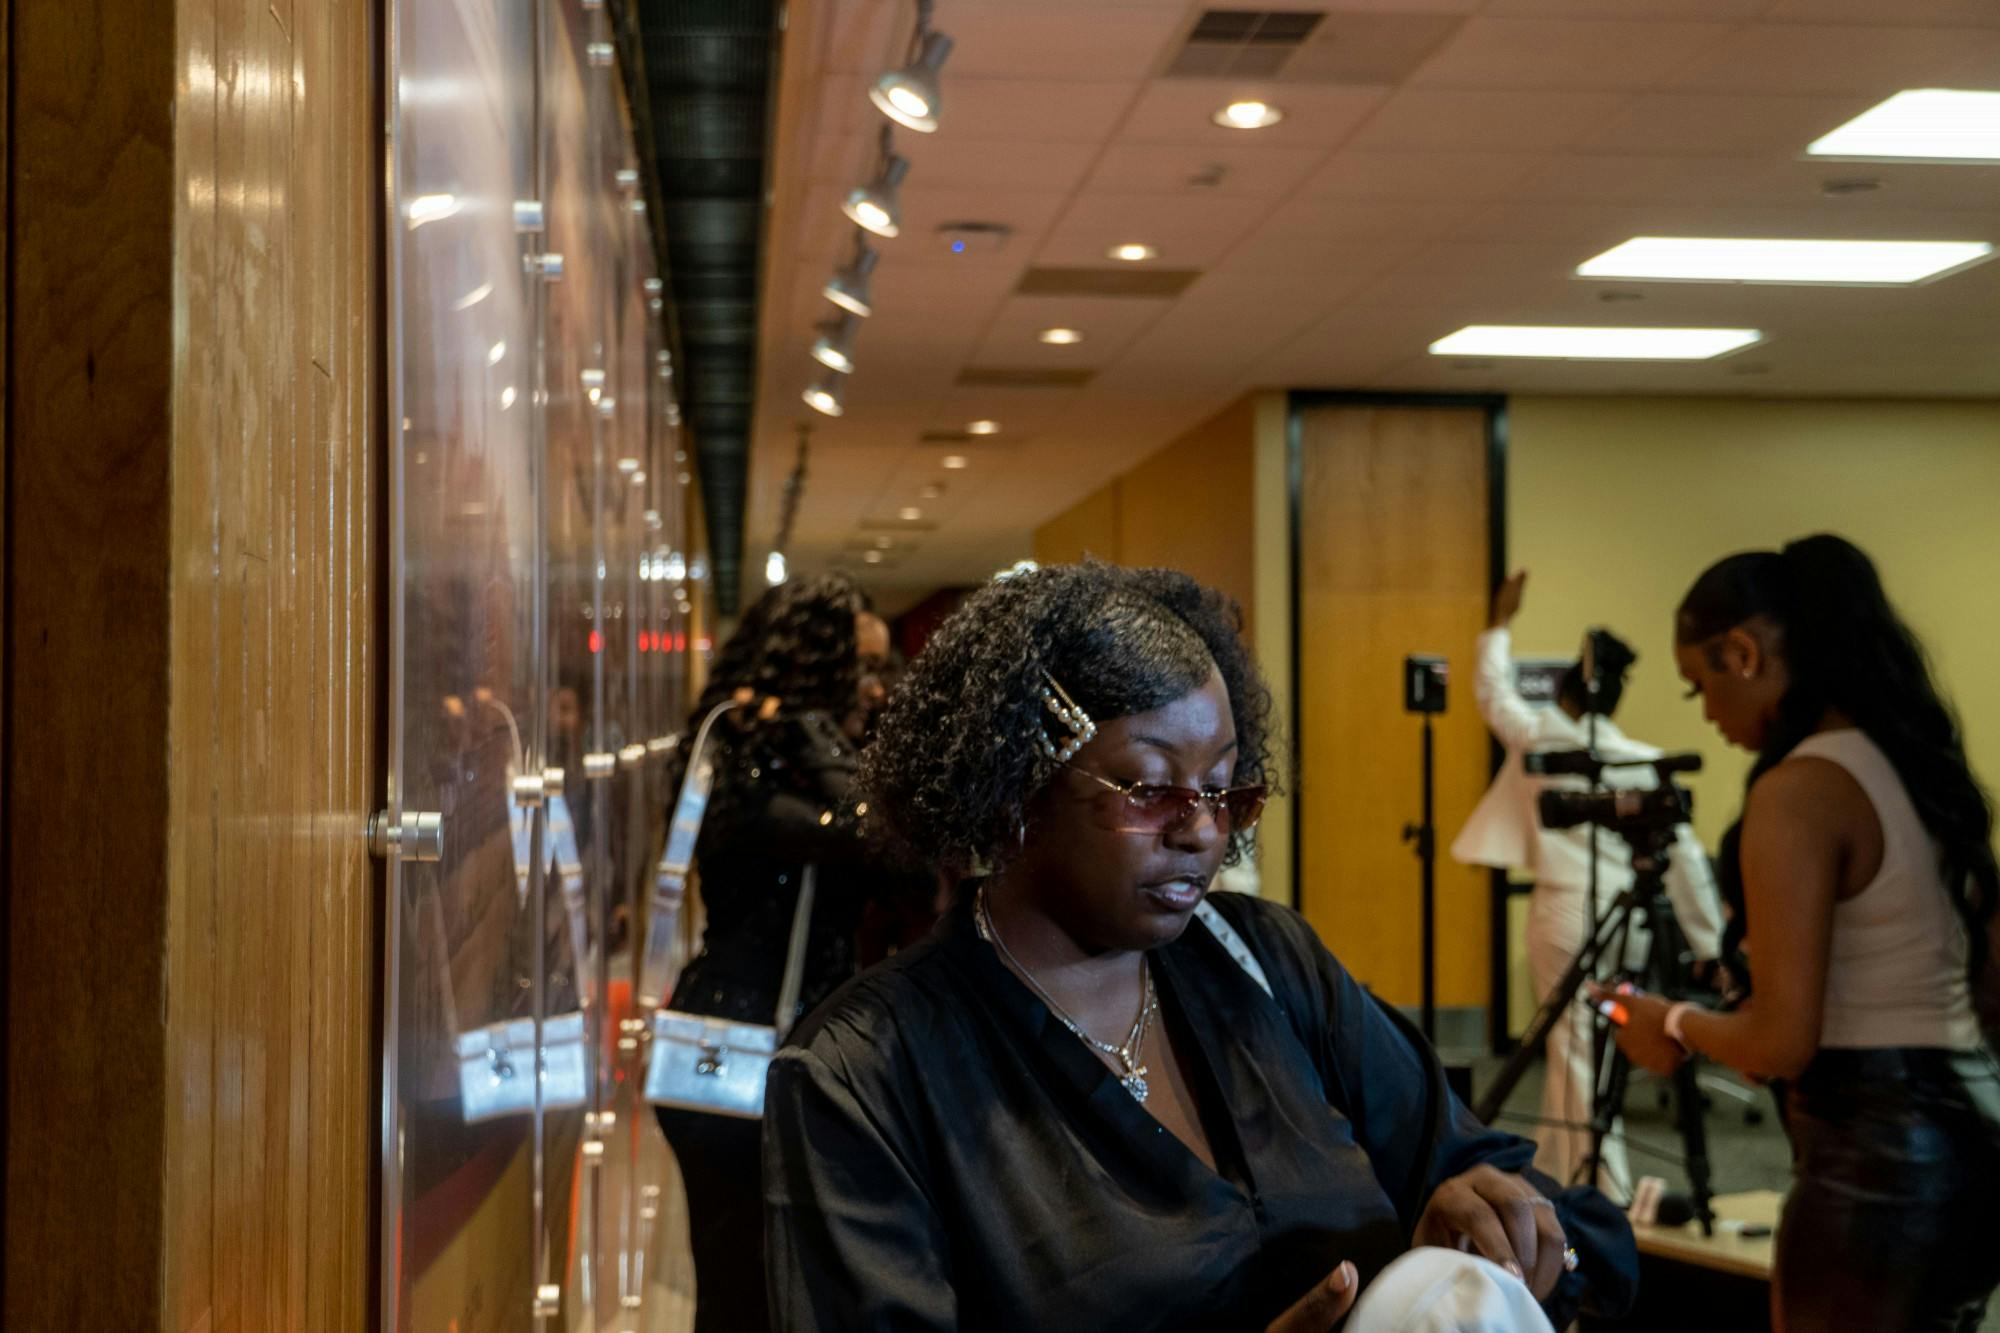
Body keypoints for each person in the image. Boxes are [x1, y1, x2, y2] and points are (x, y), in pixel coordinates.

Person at [763, 561, 1636, 1332]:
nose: (1202, 833)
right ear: (1010, 791)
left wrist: (1492, 1215)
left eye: (1224, 790)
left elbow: (1472, 1161)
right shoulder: (862, 1073)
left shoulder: (1266, 962)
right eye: (1149, 788)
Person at [1600, 534, 2000, 1330]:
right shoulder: (1921, 771)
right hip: (1975, 1140)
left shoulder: (1798, 791)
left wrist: (1670, 1022)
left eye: (1698, 685)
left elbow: (1784, 1040)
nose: (1707, 714)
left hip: (1873, 1165)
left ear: (1741, 652)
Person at [654, 572, 897, 1333]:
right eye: (859, 668)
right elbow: (873, 833)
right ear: (813, 668)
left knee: (776, 1289)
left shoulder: (782, 756)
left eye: (880, 667)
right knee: (744, 1294)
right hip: (738, 1048)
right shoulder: (748, 761)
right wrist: (815, 731)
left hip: (758, 1039)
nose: (877, 688)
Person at [1454, 571, 1723, 1200]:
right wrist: (1708, 947)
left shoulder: (1539, 739)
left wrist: (1498, 624)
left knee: (1573, 1046)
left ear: (1567, 692)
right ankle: (1558, 1169)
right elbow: (1683, 855)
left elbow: (1492, 690)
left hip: (1564, 910)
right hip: (1627, 915)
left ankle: (1603, 1187)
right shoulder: (1637, 758)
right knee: (1599, 1043)